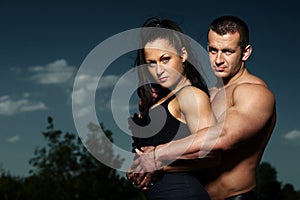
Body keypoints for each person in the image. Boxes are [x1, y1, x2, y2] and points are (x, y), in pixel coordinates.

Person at [129, 15, 276, 200]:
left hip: (235, 197)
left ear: (245, 52)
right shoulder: (209, 92)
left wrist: (158, 153)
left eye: (228, 51)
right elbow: (195, 153)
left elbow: (221, 138)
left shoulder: (254, 93)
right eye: (213, 50)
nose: (219, 59)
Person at [127, 17, 219, 199]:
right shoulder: (166, 97)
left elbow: (213, 155)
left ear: (183, 54)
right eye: (151, 63)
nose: (159, 70)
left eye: (165, 59)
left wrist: (159, 165)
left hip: (182, 192)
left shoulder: (190, 95)